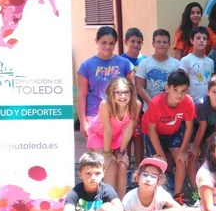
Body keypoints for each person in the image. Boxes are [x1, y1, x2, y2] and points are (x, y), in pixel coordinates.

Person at [141, 70, 196, 205]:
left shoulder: (188, 102)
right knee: (157, 163)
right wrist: (160, 154)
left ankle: (178, 195)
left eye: (183, 91)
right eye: (175, 90)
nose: (179, 94)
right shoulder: (156, 103)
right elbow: (151, 130)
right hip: (153, 134)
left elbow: (189, 127)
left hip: (173, 133)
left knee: (181, 160)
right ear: (167, 88)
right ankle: (154, 196)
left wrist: (183, 151)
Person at [87, 77, 141, 198]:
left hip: (117, 136)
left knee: (122, 164)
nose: (123, 96)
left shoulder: (136, 105)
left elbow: (129, 130)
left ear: (131, 93)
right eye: (118, 92)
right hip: (99, 135)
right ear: (112, 93)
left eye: (126, 92)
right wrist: (107, 154)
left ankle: (121, 204)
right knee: (110, 165)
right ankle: (108, 202)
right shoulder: (105, 104)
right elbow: (107, 130)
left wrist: (122, 152)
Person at [77, 26, 134, 137]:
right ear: (96, 41)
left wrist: (131, 117)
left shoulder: (125, 64)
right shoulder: (86, 66)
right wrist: (83, 122)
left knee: (117, 153)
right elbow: (82, 95)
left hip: (118, 115)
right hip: (94, 115)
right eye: (103, 42)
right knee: (97, 152)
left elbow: (132, 92)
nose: (107, 47)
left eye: (111, 43)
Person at [136, 29, 181, 112]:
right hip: (150, 110)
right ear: (153, 44)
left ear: (169, 45)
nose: (162, 44)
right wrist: (153, 104)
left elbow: (179, 87)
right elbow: (139, 87)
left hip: (170, 110)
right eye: (158, 41)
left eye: (165, 42)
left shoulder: (177, 64)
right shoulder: (144, 63)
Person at [120, 27, 146, 164]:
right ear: (126, 42)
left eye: (139, 42)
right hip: (124, 105)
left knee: (138, 137)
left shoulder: (145, 60)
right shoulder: (120, 60)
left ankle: (139, 168)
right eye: (133, 41)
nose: (136, 44)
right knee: (126, 137)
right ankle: (126, 166)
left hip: (141, 105)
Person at [179, 26, 215, 102]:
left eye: (204, 38)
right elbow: (181, 82)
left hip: (207, 102)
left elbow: (211, 82)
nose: (201, 41)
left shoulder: (210, 62)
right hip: (191, 101)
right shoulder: (186, 60)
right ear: (192, 41)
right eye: (198, 38)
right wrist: (188, 98)